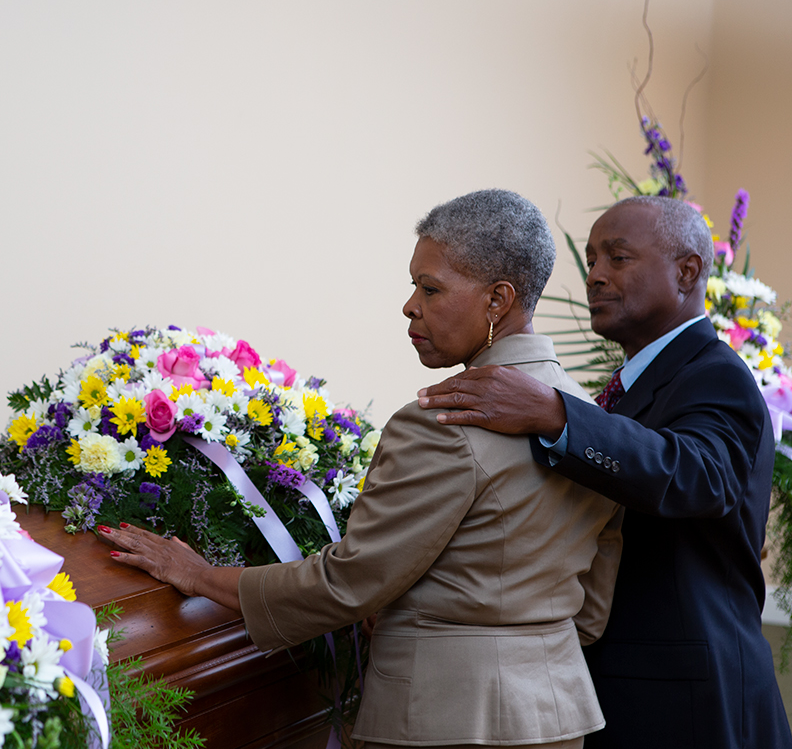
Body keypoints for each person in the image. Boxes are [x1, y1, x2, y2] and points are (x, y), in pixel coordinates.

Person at [101, 189, 623, 748]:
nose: (410, 306)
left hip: (441, 720)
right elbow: (591, 613)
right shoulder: (593, 423)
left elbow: (347, 584)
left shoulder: (443, 422)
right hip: (555, 716)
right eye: (414, 285)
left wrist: (197, 575)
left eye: (431, 289)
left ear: (498, 299)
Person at [416, 195, 792, 748]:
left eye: (618, 257)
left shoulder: (716, 374)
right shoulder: (630, 387)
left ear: (687, 272)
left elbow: (699, 477)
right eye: (591, 259)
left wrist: (557, 414)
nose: (594, 275)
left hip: (688, 699)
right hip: (616, 686)